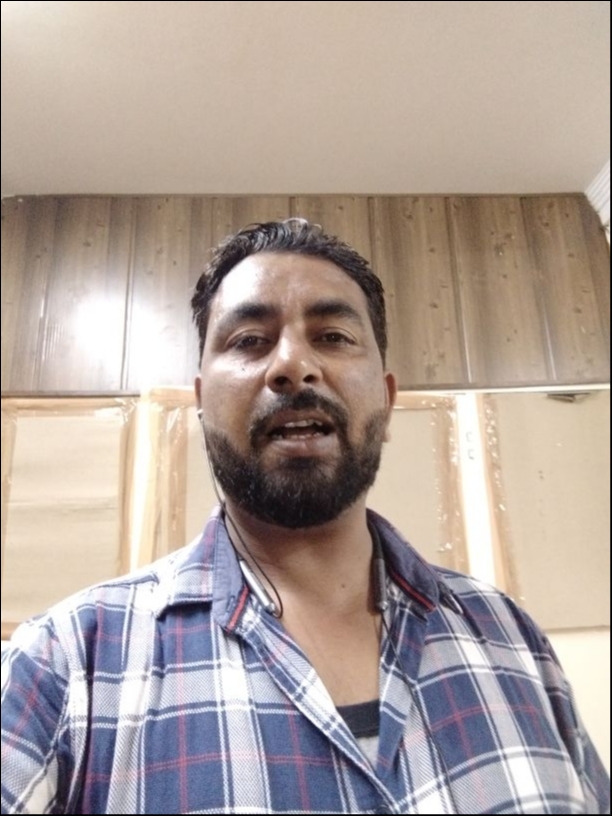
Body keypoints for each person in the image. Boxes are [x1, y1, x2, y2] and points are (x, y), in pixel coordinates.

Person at [1, 219, 608, 815]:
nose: (293, 365)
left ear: (387, 399)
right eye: (249, 340)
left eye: (334, 336)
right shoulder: (66, 662)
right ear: (202, 402)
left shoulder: (511, 637)